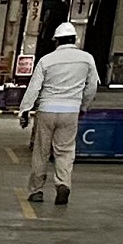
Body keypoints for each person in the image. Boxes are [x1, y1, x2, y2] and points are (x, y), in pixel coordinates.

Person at [19, 22, 99, 205]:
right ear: (75, 39)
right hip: (70, 111)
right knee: (65, 151)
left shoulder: (47, 60)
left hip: (46, 110)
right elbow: (92, 86)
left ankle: (36, 190)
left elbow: (34, 88)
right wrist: (83, 106)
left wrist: (24, 110)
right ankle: (63, 184)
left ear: (56, 41)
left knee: (41, 151)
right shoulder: (87, 59)